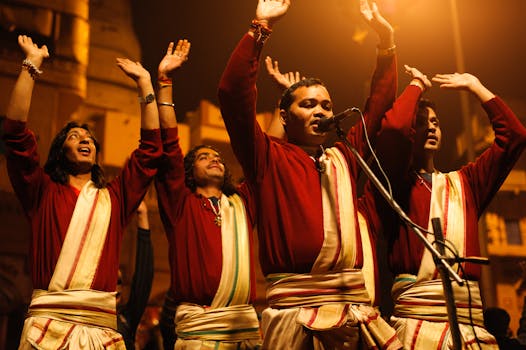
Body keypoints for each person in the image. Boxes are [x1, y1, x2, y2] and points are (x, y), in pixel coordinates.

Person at [218, 0, 403, 348]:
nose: (320, 110)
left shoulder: (345, 157)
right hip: (295, 317)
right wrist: (260, 28)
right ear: (285, 117)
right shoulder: (268, 157)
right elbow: (233, 95)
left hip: (354, 313)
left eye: (326, 105)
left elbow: (377, 107)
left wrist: (387, 42)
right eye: (308, 104)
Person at [4, 35, 162, 348]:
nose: (84, 138)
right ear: (60, 151)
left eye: (88, 136)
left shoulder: (115, 198)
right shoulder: (42, 192)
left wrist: (146, 85)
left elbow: (151, 150)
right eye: (75, 136)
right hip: (46, 331)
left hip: (100, 334)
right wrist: (30, 66)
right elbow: (15, 134)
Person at [377, 66, 526, 348]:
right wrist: (418, 84)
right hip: (415, 329)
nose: (431, 126)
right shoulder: (393, 184)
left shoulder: (465, 183)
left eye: (435, 121)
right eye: (421, 122)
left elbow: (514, 137)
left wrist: (476, 87)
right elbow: (393, 129)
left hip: (468, 328)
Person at [154, 39, 261, 349]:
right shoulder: (180, 203)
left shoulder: (242, 204)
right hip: (199, 331)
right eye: (203, 156)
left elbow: (262, 157)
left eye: (217, 156)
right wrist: (164, 82)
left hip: (244, 330)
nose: (215, 158)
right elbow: (169, 145)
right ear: (189, 171)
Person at [117, 200, 154, 349]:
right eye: (110, 282)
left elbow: (143, 279)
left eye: (119, 281)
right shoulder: (87, 319)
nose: (115, 287)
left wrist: (142, 216)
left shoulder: (126, 318)